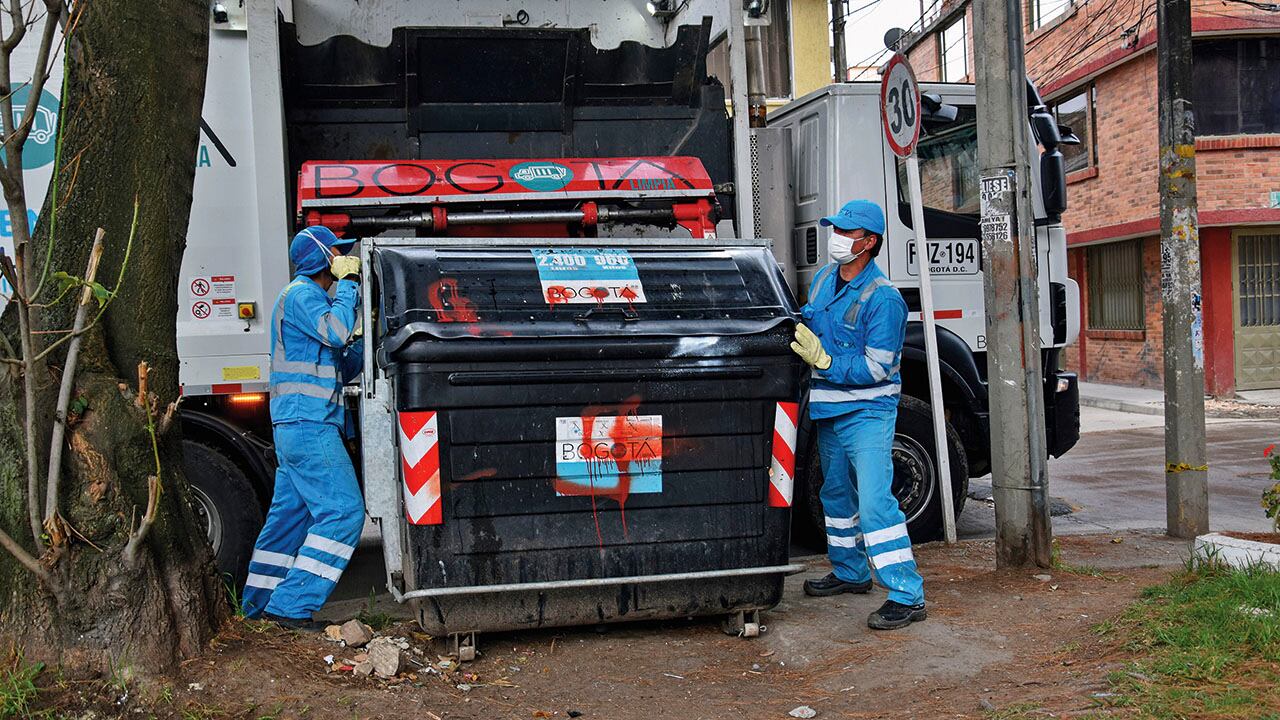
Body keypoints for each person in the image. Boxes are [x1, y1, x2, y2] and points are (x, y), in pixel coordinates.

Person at [789, 199, 927, 630]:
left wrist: (826, 363)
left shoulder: (884, 299)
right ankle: (851, 572)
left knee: (874, 505)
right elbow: (812, 320)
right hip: (830, 407)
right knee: (835, 495)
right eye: (837, 229)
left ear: (869, 243)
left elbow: (876, 367)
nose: (837, 238)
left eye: (847, 233)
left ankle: (907, 595)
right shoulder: (826, 278)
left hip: (867, 411)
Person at [241, 225, 366, 629]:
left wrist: (361, 343)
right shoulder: (303, 295)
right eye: (337, 254)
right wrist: (348, 287)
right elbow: (337, 331)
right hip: (309, 425)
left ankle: (257, 606)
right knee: (344, 513)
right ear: (323, 259)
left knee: (288, 520)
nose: (342, 258)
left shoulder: (305, 301)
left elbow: (340, 363)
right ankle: (291, 606)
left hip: (298, 425)